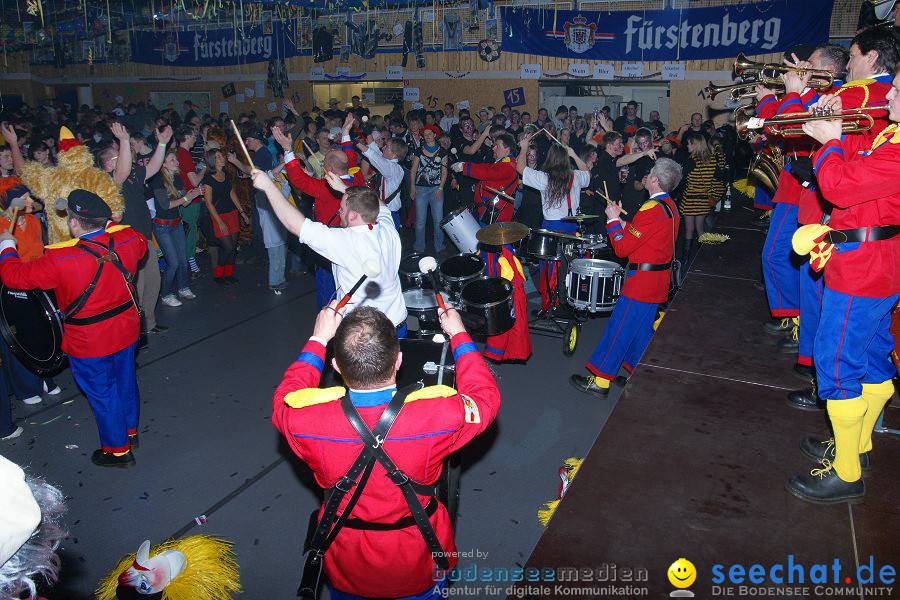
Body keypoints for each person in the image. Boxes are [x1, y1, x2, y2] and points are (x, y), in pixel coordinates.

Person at [272, 301, 500, 599]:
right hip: (418, 563)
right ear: (398, 361)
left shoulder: (304, 421)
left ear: (337, 366)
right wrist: (458, 333)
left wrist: (317, 340)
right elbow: (485, 397)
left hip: (347, 566)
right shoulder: (439, 416)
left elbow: (285, 398)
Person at [784, 65, 900, 503]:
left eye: (897, 92)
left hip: (862, 270)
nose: (887, 97)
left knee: (836, 367)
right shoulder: (889, 138)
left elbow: (838, 186)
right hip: (877, 262)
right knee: (871, 356)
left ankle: (847, 473)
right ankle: (860, 445)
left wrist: (829, 141)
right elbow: (860, 167)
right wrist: (832, 124)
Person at [0, 189, 147, 467]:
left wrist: (7, 246)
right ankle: (130, 431)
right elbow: (138, 244)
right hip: (126, 329)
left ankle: (118, 451)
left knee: (103, 393)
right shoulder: (129, 238)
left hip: (90, 340)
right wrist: (108, 225)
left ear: (74, 224)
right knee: (125, 381)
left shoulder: (62, 258)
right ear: (105, 220)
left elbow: (13, 276)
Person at [570, 158, 682, 397]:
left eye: (650, 173)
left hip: (641, 281)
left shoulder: (649, 210)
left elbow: (622, 249)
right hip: (659, 281)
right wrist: (624, 223)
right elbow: (647, 236)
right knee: (640, 331)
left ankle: (601, 380)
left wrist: (611, 220)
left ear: (654, 179)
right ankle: (637, 371)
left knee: (619, 329)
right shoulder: (670, 206)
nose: (646, 176)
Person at [251, 169, 408, 334]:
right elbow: (378, 203)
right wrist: (345, 189)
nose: (339, 212)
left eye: (342, 209)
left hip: (367, 334)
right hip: (397, 323)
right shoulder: (387, 227)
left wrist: (269, 186)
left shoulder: (346, 241)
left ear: (353, 215)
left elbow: (295, 224)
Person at [516, 136, 590, 311]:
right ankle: (572, 302)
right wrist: (574, 155)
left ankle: (551, 304)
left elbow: (520, 168)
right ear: (566, 159)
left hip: (552, 229)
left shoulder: (544, 178)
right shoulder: (576, 176)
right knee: (571, 266)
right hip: (572, 228)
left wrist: (524, 147)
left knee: (550, 269)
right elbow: (588, 173)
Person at [157, 150, 202, 306]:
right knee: (173, 262)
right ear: (163, 164)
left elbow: (184, 203)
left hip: (176, 223)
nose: (177, 162)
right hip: (162, 226)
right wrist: (186, 197)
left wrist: (193, 195)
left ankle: (183, 288)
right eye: (172, 160)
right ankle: (166, 294)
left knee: (183, 259)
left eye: (176, 159)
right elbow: (166, 205)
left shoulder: (177, 177)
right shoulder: (157, 180)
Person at [450, 132, 518, 226]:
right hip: (491, 211)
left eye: (497, 146)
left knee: (495, 239)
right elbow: (487, 167)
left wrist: (464, 167)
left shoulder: (509, 164)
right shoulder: (504, 162)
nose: (493, 148)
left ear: (507, 149)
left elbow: (489, 172)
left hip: (497, 214)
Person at [202, 149, 248, 284]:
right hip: (219, 216)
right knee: (227, 247)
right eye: (218, 157)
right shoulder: (208, 178)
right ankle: (218, 276)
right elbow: (209, 203)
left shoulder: (226, 174)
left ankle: (228, 274)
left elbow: (232, 193)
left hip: (232, 214)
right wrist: (220, 222)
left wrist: (242, 212)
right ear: (212, 161)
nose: (222, 158)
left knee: (233, 248)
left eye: (221, 155)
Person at [678, 132, 721, 269]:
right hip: (703, 200)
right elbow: (717, 178)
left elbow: (681, 178)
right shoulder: (712, 160)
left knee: (689, 230)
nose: (687, 145)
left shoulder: (691, 161)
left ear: (694, 144)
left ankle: (685, 260)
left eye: (689, 143)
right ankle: (703, 257)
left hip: (690, 200)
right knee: (700, 229)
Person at [410, 124, 448, 253]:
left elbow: (445, 172)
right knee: (420, 221)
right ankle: (419, 247)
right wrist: (412, 187)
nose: (427, 137)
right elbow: (413, 170)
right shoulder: (418, 151)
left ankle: (439, 246)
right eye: (425, 135)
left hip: (437, 189)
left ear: (435, 135)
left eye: (429, 134)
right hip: (421, 189)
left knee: (438, 221)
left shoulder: (442, 151)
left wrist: (441, 188)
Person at [174, 125, 206, 275]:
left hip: (187, 198)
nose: (195, 138)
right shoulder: (184, 154)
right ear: (186, 137)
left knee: (189, 230)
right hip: (190, 199)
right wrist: (204, 167)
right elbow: (194, 181)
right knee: (190, 231)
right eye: (193, 136)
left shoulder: (180, 153)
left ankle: (188, 264)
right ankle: (191, 265)